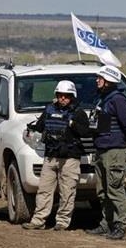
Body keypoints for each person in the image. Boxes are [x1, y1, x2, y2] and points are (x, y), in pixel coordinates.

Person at [22, 80, 90, 231]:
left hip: (70, 158)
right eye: (60, 95)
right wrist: (31, 130)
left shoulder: (79, 113)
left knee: (67, 191)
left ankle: (62, 222)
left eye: (66, 96)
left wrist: (72, 124)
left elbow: (86, 132)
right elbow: (39, 127)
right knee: (44, 190)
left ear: (72, 96)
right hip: (51, 156)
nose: (63, 99)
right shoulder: (49, 110)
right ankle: (38, 221)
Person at [85, 65, 126, 240]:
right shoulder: (102, 99)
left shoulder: (117, 100)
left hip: (114, 150)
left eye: (100, 78)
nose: (97, 80)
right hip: (101, 149)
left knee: (114, 189)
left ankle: (121, 226)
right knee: (102, 191)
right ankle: (107, 224)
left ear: (108, 81)